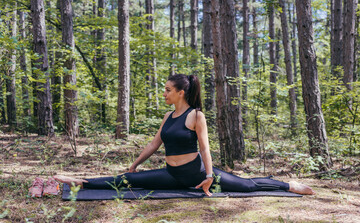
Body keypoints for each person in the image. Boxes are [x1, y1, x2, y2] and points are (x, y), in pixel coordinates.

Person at [55, 74, 315, 196]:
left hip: (197, 174)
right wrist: (137, 163)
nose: (164, 93)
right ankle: (81, 181)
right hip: (171, 174)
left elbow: (205, 149)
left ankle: (287, 185)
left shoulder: (196, 115)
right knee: (127, 180)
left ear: (181, 92)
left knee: (246, 186)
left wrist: (210, 176)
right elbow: (155, 143)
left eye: (168, 90)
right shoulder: (168, 117)